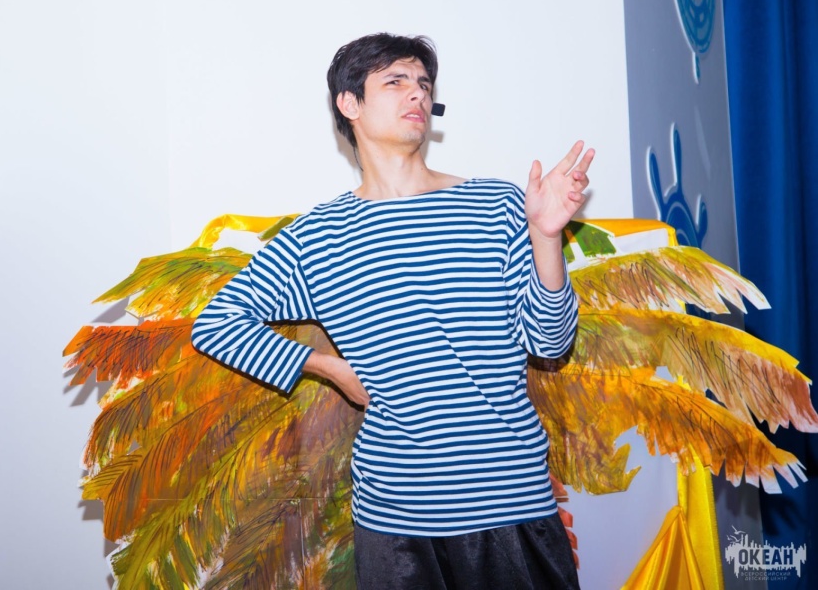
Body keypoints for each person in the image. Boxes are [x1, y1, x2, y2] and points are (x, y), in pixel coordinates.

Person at [192, 33, 593, 589]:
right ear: (349, 103)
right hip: (395, 521)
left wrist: (546, 237)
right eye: (396, 81)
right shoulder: (317, 236)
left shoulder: (496, 205)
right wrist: (328, 368)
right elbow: (216, 324)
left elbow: (550, 342)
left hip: (512, 505)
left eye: (424, 84)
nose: (417, 94)